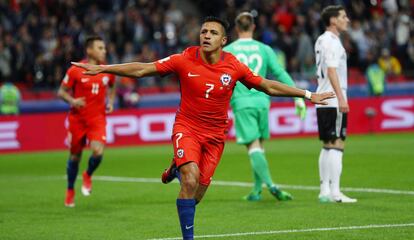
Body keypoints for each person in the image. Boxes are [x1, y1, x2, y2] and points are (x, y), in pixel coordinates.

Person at [73, 17, 333, 240]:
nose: (206, 35)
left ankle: (176, 166)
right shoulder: (184, 58)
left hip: (216, 137)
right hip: (187, 127)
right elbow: (143, 69)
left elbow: (268, 85)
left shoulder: (234, 65)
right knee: (190, 179)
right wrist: (105, 68)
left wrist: (308, 95)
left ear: (223, 40)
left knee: (195, 195)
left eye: (213, 33)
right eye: (204, 31)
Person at [223, 12, 306, 202]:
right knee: (259, 147)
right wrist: (298, 97)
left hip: (242, 103)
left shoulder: (228, 51)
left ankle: (271, 186)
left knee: (253, 147)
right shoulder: (265, 48)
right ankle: (256, 190)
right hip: (262, 102)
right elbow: (280, 73)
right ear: (253, 27)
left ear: (236, 28)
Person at [57, 36, 116, 207]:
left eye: (104, 48)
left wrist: (110, 101)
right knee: (75, 157)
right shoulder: (75, 70)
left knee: (98, 152)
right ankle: (70, 190)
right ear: (89, 50)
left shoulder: (107, 69)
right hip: (78, 119)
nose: (104, 51)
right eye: (100, 48)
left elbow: (112, 85)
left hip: (97, 119)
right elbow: (61, 91)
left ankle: (88, 174)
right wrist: (72, 101)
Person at [314, 5, 357, 203]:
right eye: (343, 16)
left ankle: (324, 190)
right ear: (333, 20)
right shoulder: (333, 42)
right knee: (337, 143)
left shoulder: (321, 40)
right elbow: (331, 71)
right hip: (332, 99)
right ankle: (336, 193)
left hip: (322, 98)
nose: (346, 19)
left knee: (327, 145)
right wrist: (341, 98)